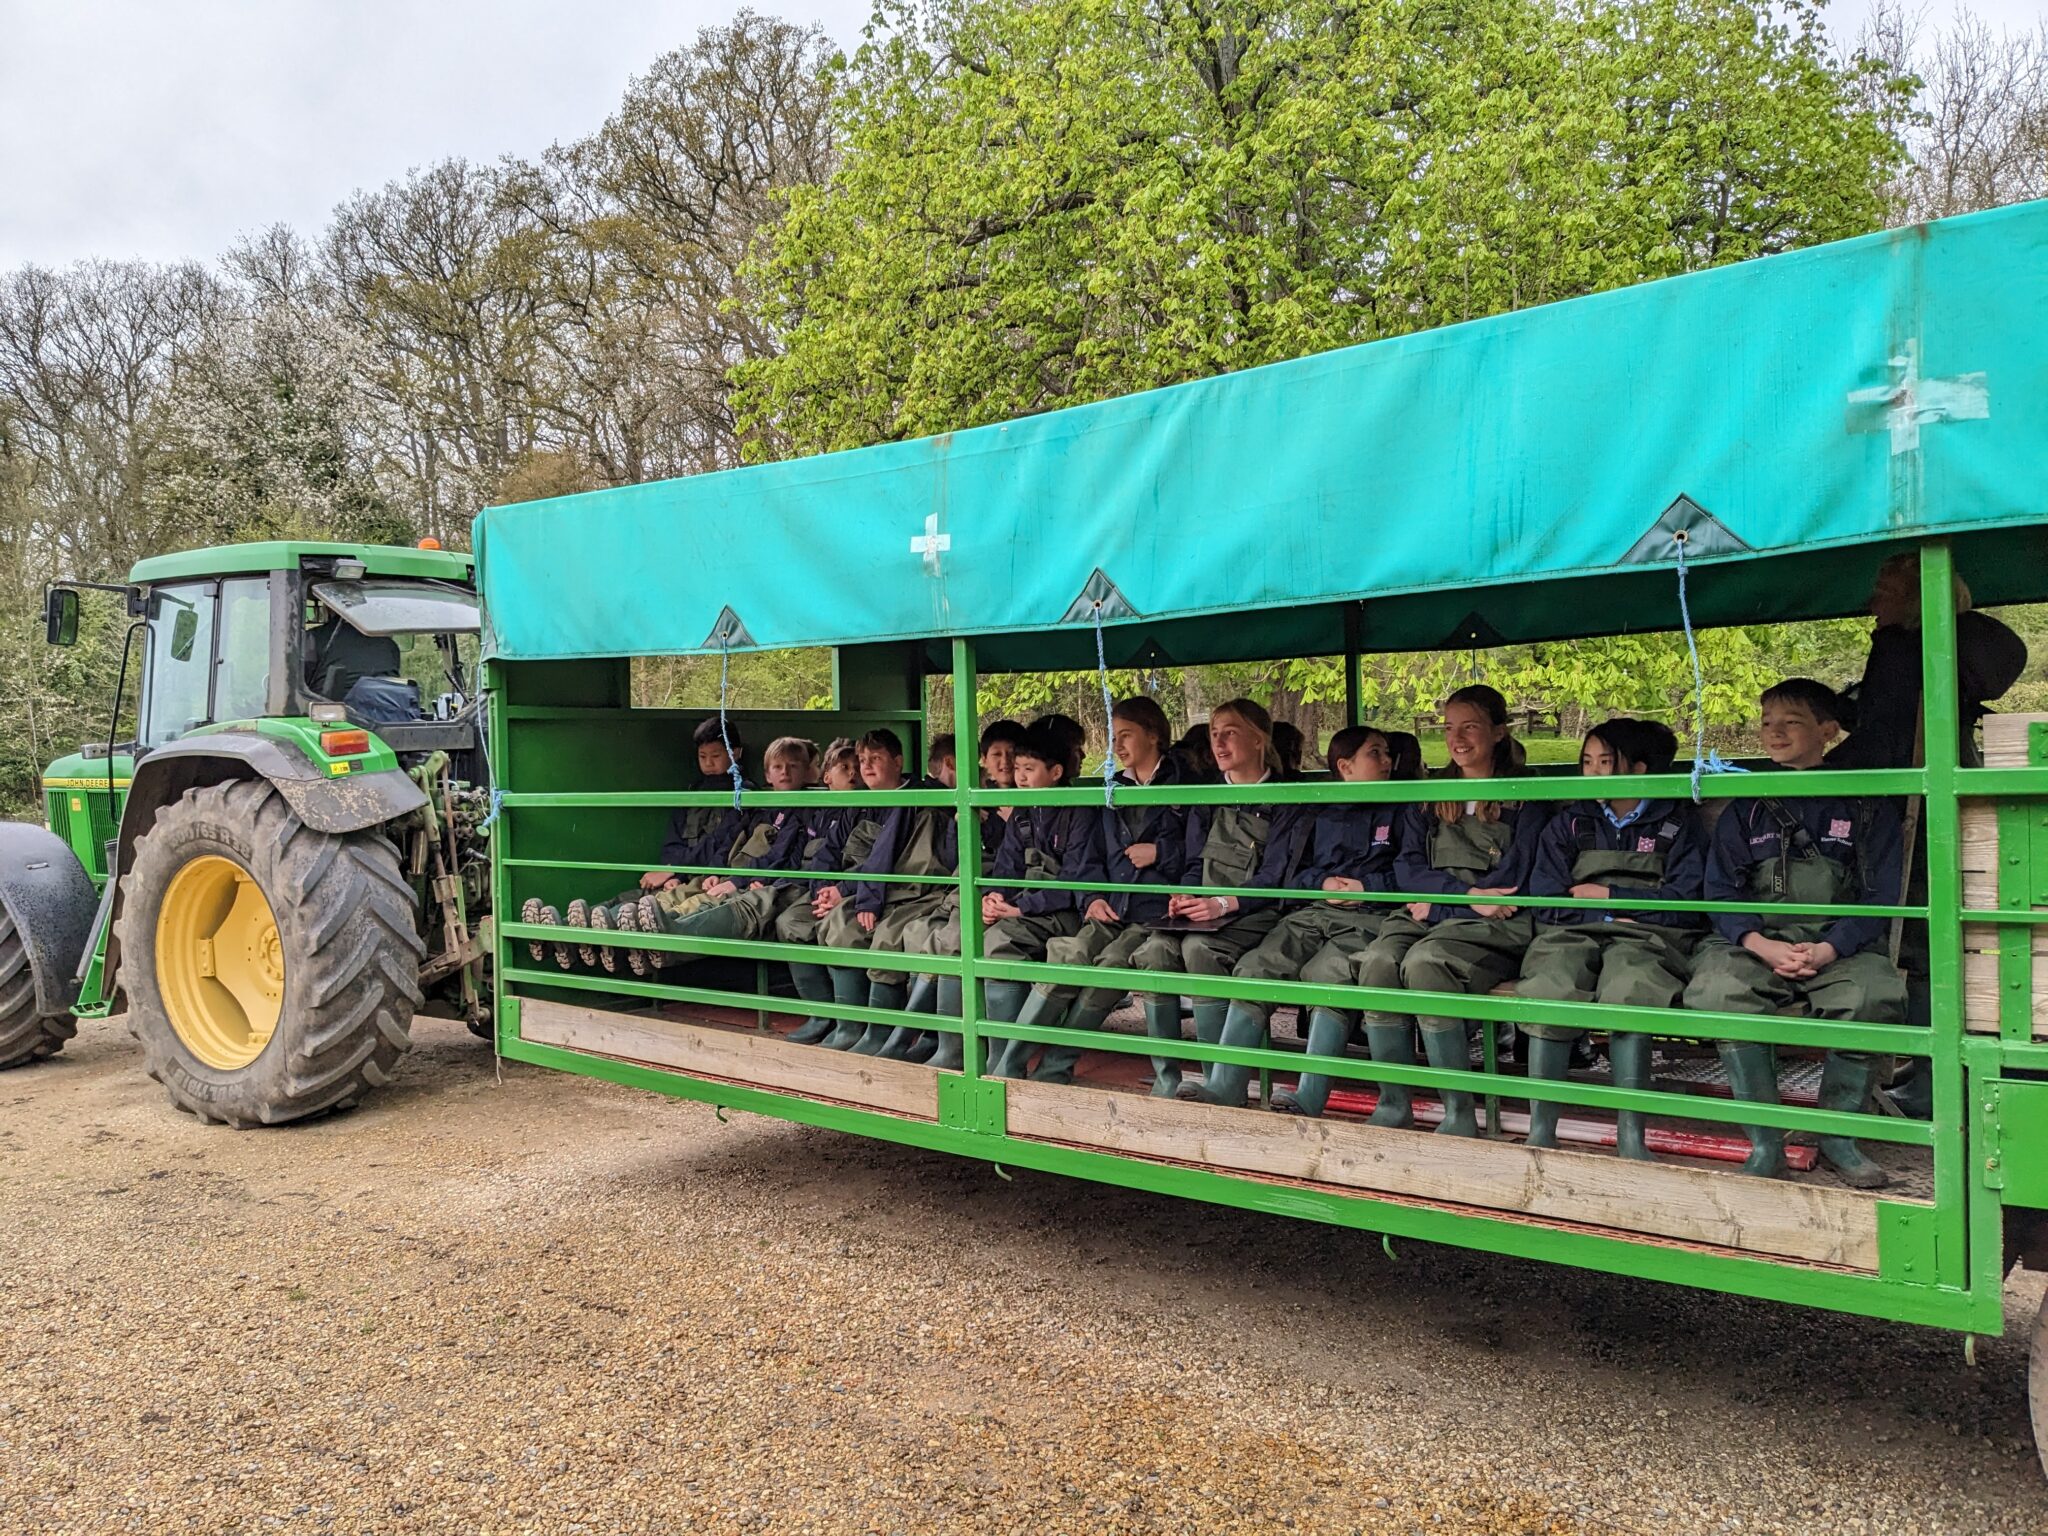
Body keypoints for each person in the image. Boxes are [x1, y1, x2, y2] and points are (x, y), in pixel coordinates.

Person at [1683, 679, 1905, 1187]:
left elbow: (1881, 896)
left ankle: (1837, 1138)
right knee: (1719, 990)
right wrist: (1760, 944)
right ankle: (1766, 1140)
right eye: (1766, 723)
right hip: (1756, 944)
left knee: (1872, 995)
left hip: (1839, 946)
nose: (1774, 732)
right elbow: (1720, 891)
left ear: (1828, 730)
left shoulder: (1865, 803)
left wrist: (1829, 948)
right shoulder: (1747, 804)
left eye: (1791, 722)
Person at [1351, 684, 1549, 1137]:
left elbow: (1514, 882)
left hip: (1496, 926)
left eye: (1470, 727)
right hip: (1437, 912)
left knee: (1425, 965)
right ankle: (1394, 1101)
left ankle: (1457, 1111)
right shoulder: (1431, 794)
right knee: (1378, 963)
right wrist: (1458, 900)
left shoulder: (1527, 796)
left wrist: (1445, 904)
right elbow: (1407, 866)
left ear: (1499, 731)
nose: (1456, 739)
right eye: (1448, 729)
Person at [1195, 725, 1414, 1113]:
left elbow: (1411, 871)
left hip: (1370, 916)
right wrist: (1322, 881)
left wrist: (1369, 886)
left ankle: (1309, 1097)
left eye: (1386, 753)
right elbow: (1294, 873)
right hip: (1313, 911)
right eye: (1375, 754)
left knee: (1327, 975)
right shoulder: (1317, 810)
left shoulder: (1403, 808)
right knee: (1256, 967)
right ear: (1345, 767)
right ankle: (1225, 1085)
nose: (1387, 761)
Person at [1516, 719, 1705, 1159]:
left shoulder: (1677, 822)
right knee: (1549, 987)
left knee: (1631, 991)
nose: (1594, 773)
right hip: (1573, 931)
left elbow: (1686, 899)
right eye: (1587, 763)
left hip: (1647, 937)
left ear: (1638, 768)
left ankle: (1630, 1133)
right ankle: (1542, 1129)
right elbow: (1545, 898)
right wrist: (1608, 910)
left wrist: (1611, 896)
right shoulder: (1570, 823)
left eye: (1606, 763)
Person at [1005, 696, 1187, 1086]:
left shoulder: (1185, 786)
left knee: (1109, 968)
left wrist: (1162, 852)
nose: (1117, 746)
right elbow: (1091, 857)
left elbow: (1200, 851)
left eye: (1126, 736)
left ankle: (1056, 1067)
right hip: (1112, 904)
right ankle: (1008, 1065)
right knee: (1070, 957)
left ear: (1154, 736)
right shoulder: (1112, 789)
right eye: (1113, 736)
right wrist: (1093, 897)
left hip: (1157, 911)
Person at [1124, 698, 1289, 1099]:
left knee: (1200, 949)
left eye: (1230, 732)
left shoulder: (1287, 796)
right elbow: (1195, 860)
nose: (1219, 742)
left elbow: (1277, 876)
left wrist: (1224, 903)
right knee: (1155, 950)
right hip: (1204, 910)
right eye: (1215, 733)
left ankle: (1220, 1083)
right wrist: (1185, 893)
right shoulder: (1208, 795)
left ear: (1259, 739)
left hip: (1255, 912)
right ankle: (1168, 1080)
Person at [519, 717, 757, 968]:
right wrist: (671, 871)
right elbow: (673, 841)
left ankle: (580, 940)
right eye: (702, 756)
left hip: (706, 878)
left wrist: (675, 871)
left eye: (716, 756)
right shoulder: (693, 792)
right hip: (678, 875)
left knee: (646, 909)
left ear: (736, 753)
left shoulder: (745, 796)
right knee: (626, 898)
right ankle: (560, 930)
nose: (709, 764)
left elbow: (718, 844)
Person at [602, 737, 820, 978]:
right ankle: (605, 927)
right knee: (681, 894)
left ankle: (658, 941)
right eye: (778, 767)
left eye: (793, 766)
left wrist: (739, 880)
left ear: (808, 771)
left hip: (755, 883)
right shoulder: (754, 804)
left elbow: (781, 858)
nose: (785, 772)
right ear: (767, 775)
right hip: (726, 875)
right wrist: (712, 872)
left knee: (709, 903)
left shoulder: (802, 812)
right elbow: (723, 841)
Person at [819, 731, 955, 1056]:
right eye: (862, 760)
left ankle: (884, 1035)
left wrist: (866, 897)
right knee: (839, 925)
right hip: (884, 891)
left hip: (920, 892)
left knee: (888, 936)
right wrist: (829, 889)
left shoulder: (915, 796)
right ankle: (851, 1026)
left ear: (898, 762)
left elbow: (885, 857)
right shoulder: (864, 800)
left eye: (875, 759)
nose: (866, 767)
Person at [1829, 553, 2026, 771]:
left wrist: (1821, 770)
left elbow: (1883, 734)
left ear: (1916, 602)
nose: (1871, 605)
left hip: (1904, 791)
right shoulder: (1947, 657)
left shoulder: (1897, 651)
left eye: (1883, 594)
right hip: (1955, 773)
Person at [976, 725, 1096, 1077]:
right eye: (1018, 770)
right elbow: (1006, 865)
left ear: (1056, 773)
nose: (1021, 778)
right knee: (984, 938)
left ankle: (1007, 1062)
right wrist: (994, 895)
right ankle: (1001, 1057)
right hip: (1028, 908)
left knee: (999, 941)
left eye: (1030, 770)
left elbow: (1077, 879)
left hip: (1066, 911)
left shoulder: (1080, 810)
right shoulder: (1024, 812)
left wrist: (1021, 908)